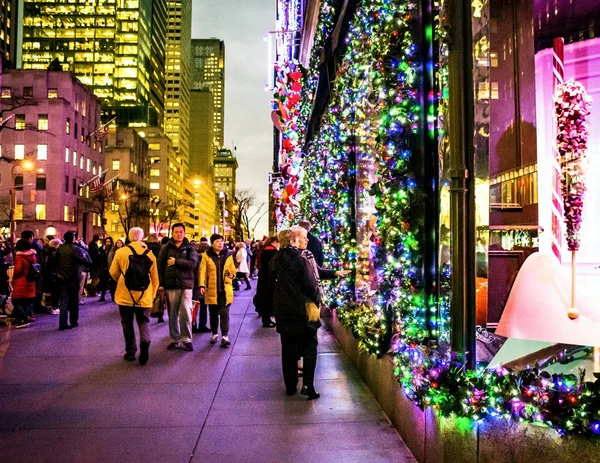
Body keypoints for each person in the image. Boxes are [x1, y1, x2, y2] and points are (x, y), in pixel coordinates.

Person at [270, 226, 321, 399]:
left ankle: (290, 386)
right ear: (293, 240)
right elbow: (311, 286)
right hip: (303, 311)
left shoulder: (275, 260)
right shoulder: (301, 260)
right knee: (310, 346)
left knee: (288, 348)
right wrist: (315, 301)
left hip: (283, 311)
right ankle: (308, 385)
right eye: (303, 237)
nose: (307, 240)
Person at [110, 227, 159, 365]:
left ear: (130, 237)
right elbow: (155, 279)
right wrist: (152, 295)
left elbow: (113, 273)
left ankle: (130, 351)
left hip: (125, 295)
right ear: (142, 238)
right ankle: (145, 340)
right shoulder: (150, 255)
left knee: (126, 323)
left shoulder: (121, 252)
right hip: (144, 296)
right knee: (143, 321)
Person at [157, 223, 199, 351]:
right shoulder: (166, 247)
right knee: (172, 313)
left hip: (186, 285)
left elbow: (193, 263)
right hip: (171, 285)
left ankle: (187, 339)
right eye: (176, 232)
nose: (178, 234)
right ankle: (174, 339)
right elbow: (160, 266)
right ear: (172, 233)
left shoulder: (190, 248)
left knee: (186, 312)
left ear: (184, 233)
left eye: (181, 232)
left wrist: (176, 262)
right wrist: (161, 284)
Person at [199, 234, 236, 347]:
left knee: (225, 313)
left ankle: (225, 336)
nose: (220, 243)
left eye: (221, 241)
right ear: (212, 243)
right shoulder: (206, 256)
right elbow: (202, 272)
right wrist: (201, 285)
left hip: (225, 289)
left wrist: (231, 275)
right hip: (212, 289)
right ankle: (214, 333)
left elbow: (233, 271)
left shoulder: (228, 255)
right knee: (213, 313)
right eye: (217, 241)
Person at [56, 231, 92, 330]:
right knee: (73, 301)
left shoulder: (59, 249)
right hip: (73, 276)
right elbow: (87, 261)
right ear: (73, 238)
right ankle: (73, 321)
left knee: (63, 300)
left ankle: (62, 323)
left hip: (61, 276)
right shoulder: (76, 249)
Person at [11, 239, 38, 329]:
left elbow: (18, 270)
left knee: (16, 301)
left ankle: (22, 320)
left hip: (21, 281)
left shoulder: (19, 257)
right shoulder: (32, 255)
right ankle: (27, 316)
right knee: (26, 301)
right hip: (30, 281)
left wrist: (13, 278)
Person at [255, 236, 279, 327]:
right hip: (268, 279)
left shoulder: (264, 250)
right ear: (274, 242)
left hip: (263, 278)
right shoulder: (272, 252)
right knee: (268, 299)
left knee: (265, 299)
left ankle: (266, 319)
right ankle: (266, 320)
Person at [192, 241, 211, 333]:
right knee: (203, 306)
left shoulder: (194, 257)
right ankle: (202, 325)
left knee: (194, 305)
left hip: (193, 284)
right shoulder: (204, 258)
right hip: (202, 284)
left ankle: (193, 325)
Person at [145, 233, 165, 323]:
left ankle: (147, 313)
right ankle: (159, 314)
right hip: (158, 273)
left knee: (148, 294)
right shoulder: (161, 248)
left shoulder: (145, 248)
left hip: (147, 274)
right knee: (159, 295)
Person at [98, 236, 113, 302]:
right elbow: (100, 258)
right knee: (103, 282)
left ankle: (113, 296)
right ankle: (102, 296)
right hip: (103, 268)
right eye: (106, 242)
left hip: (110, 267)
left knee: (111, 283)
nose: (108, 243)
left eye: (109, 242)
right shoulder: (102, 249)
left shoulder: (113, 249)